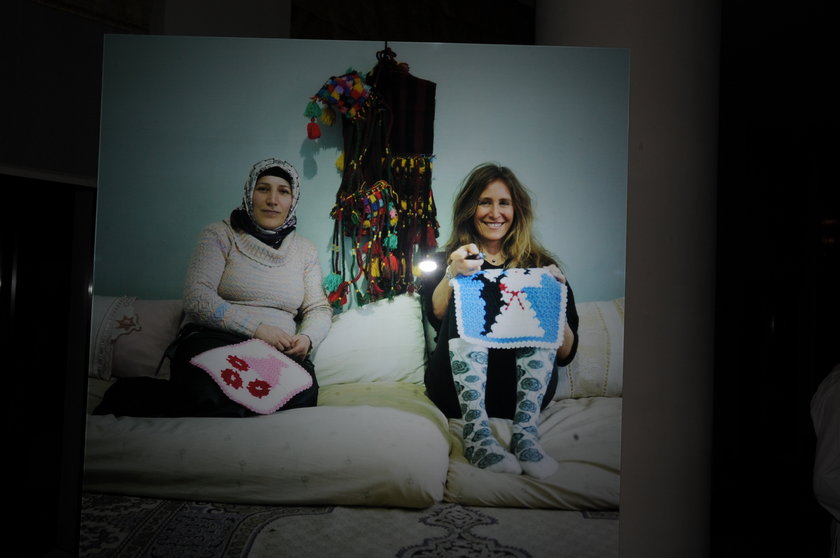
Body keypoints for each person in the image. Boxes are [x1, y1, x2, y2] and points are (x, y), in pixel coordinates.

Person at [95, 158, 332, 417]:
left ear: (292, 200)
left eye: (283, 192)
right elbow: (197, 297)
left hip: (275, 352)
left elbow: (318, 308)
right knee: (207, 392)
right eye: (263, 189)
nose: (272, 200)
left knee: (304, 392)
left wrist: (307, 338)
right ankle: (131, 394)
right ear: (249, 193)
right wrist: (258, 329)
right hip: (217, 340)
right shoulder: (220, 234)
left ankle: (233, 407)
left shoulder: (304, 250)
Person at [420, 163, 579, 479]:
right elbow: (437, 315)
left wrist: (551, 300)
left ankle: (526, 434)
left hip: (519, 394)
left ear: (517, 210)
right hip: (456, 391)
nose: (495, 213)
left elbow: (566, 354)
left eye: (504, 203)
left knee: (535, 293)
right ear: (470, 208)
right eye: (485, 202)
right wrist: (453, 273)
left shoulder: (541, 266)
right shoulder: (448, 261)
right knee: (468, 287)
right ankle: (476, 433)